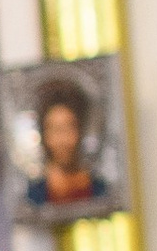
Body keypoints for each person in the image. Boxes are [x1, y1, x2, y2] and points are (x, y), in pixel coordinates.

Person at [23, 71, 106, 210]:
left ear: (80, 131)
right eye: (55, 130)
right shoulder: (34, 197)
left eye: (69, 128)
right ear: (44, 135)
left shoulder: (99, 190)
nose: (62, 140)